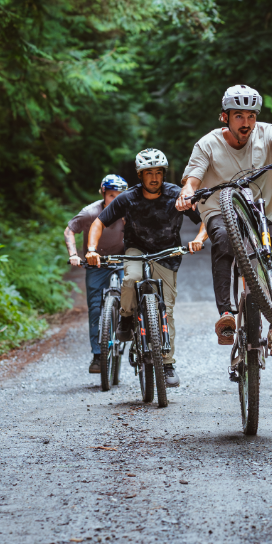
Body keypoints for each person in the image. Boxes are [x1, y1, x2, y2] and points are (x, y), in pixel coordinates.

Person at [175, 85, 272, 357]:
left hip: (268, 213)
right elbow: (192, 179)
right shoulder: (208, 144)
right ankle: (226, 313)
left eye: (251, 116)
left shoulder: (267, 132)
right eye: (239, 116)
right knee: (224, 240)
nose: (246, 123)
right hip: (220, 211)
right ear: (224, 117)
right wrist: (187, 193)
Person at [86, 149, 202, 388]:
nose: (154, 178)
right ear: (140, 175)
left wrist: (200, 238)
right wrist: (91, 249)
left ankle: (167, 364)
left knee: (166, 309)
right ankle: (127, 318)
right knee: (130, 279)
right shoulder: (127, 198)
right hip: (137, 249)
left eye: (158, 172)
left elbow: (205, 220)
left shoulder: (176, 195)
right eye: (148, 173)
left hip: (166, 253)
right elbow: (99, 222)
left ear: (163, 174)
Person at [65, 174, 127, 374]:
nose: (115, 200)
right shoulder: (90, 213)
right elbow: (69, 230)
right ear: (103, 194)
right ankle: (98, 355)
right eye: (111, 195)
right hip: (96, 262)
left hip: (124, 260)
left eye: (119, 196)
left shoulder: (129, 211)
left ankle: (136, 336)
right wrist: (74, 254)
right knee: (95, 308)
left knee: (133, 295)